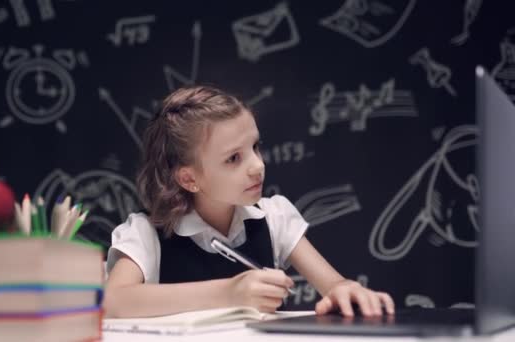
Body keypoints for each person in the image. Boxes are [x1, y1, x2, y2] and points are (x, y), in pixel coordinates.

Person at [103, 85, 395, 318]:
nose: (257, 166)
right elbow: (112, 301)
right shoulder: (147, 232)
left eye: (255, 147)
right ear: (189, 179)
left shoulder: (273, 216)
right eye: (234, 158)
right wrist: (229, 293)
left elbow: (334, 285)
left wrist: (346, 290)